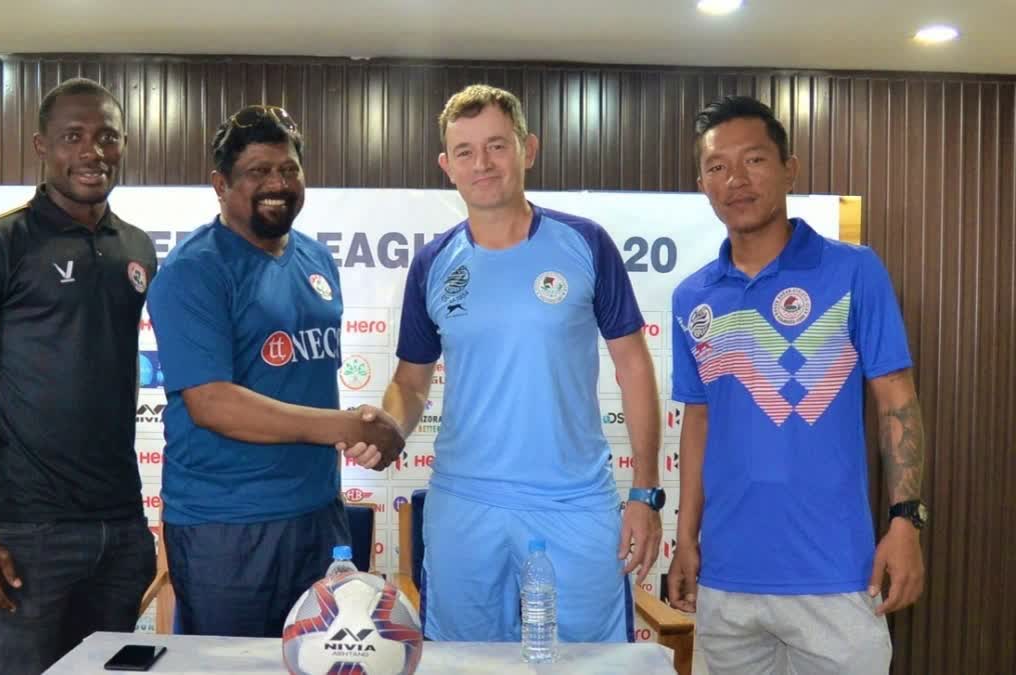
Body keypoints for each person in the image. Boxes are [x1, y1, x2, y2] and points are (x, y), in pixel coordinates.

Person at [342, 84, 663, 642]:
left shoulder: (586, 244)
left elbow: (634, 367)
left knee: (590, 663)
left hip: (575, 503)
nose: (481, 164)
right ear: (447, 166)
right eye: (464, 152)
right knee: (466, 662)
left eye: (496, 146)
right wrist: (388, 425)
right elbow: (411, 382)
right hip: (465, 503)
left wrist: (644, 491)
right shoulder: (433, 262)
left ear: (528, 149)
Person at [667, 95, 928, 675]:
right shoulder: (693, 297)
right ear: (703, 183)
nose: (735, 179)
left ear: (790, 167)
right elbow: (700, 422)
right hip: (728, 584)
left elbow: (896, 399)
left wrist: (906, 520)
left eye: (754, 160)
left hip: (837, 577)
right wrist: (685, 539)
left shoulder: (854, 270)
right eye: (716, 167)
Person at [146, 105, 405, 637]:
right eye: (258, 172)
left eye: (288, 170)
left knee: (322, 665)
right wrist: (344, 427)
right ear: (220, 184)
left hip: (317, 513)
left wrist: (367, 429)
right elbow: (212, 403)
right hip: (228, 527)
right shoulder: (193, 270)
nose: (277, 184)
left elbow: (307, 382)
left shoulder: (316, 259)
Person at [0, 77, 158, 675]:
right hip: (28, 531)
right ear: (42, 146)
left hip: (121, 524)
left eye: (106, 137)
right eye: (73, 137)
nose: (92, 152)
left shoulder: (137, 248)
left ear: (124, 144)